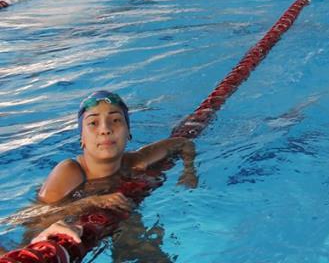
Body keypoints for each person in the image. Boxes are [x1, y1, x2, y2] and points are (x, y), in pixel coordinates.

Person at [17, 91, 197, 250]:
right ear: (82, 139)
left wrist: (189, 171)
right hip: (74, 231)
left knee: (146, 249)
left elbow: (183, 143)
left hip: (115, 221)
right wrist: (92, 202)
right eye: (93, 123)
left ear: (128, 132)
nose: (105, 129)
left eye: (116, 120)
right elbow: (35, 222)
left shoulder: (135, 161)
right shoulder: (70, 171)